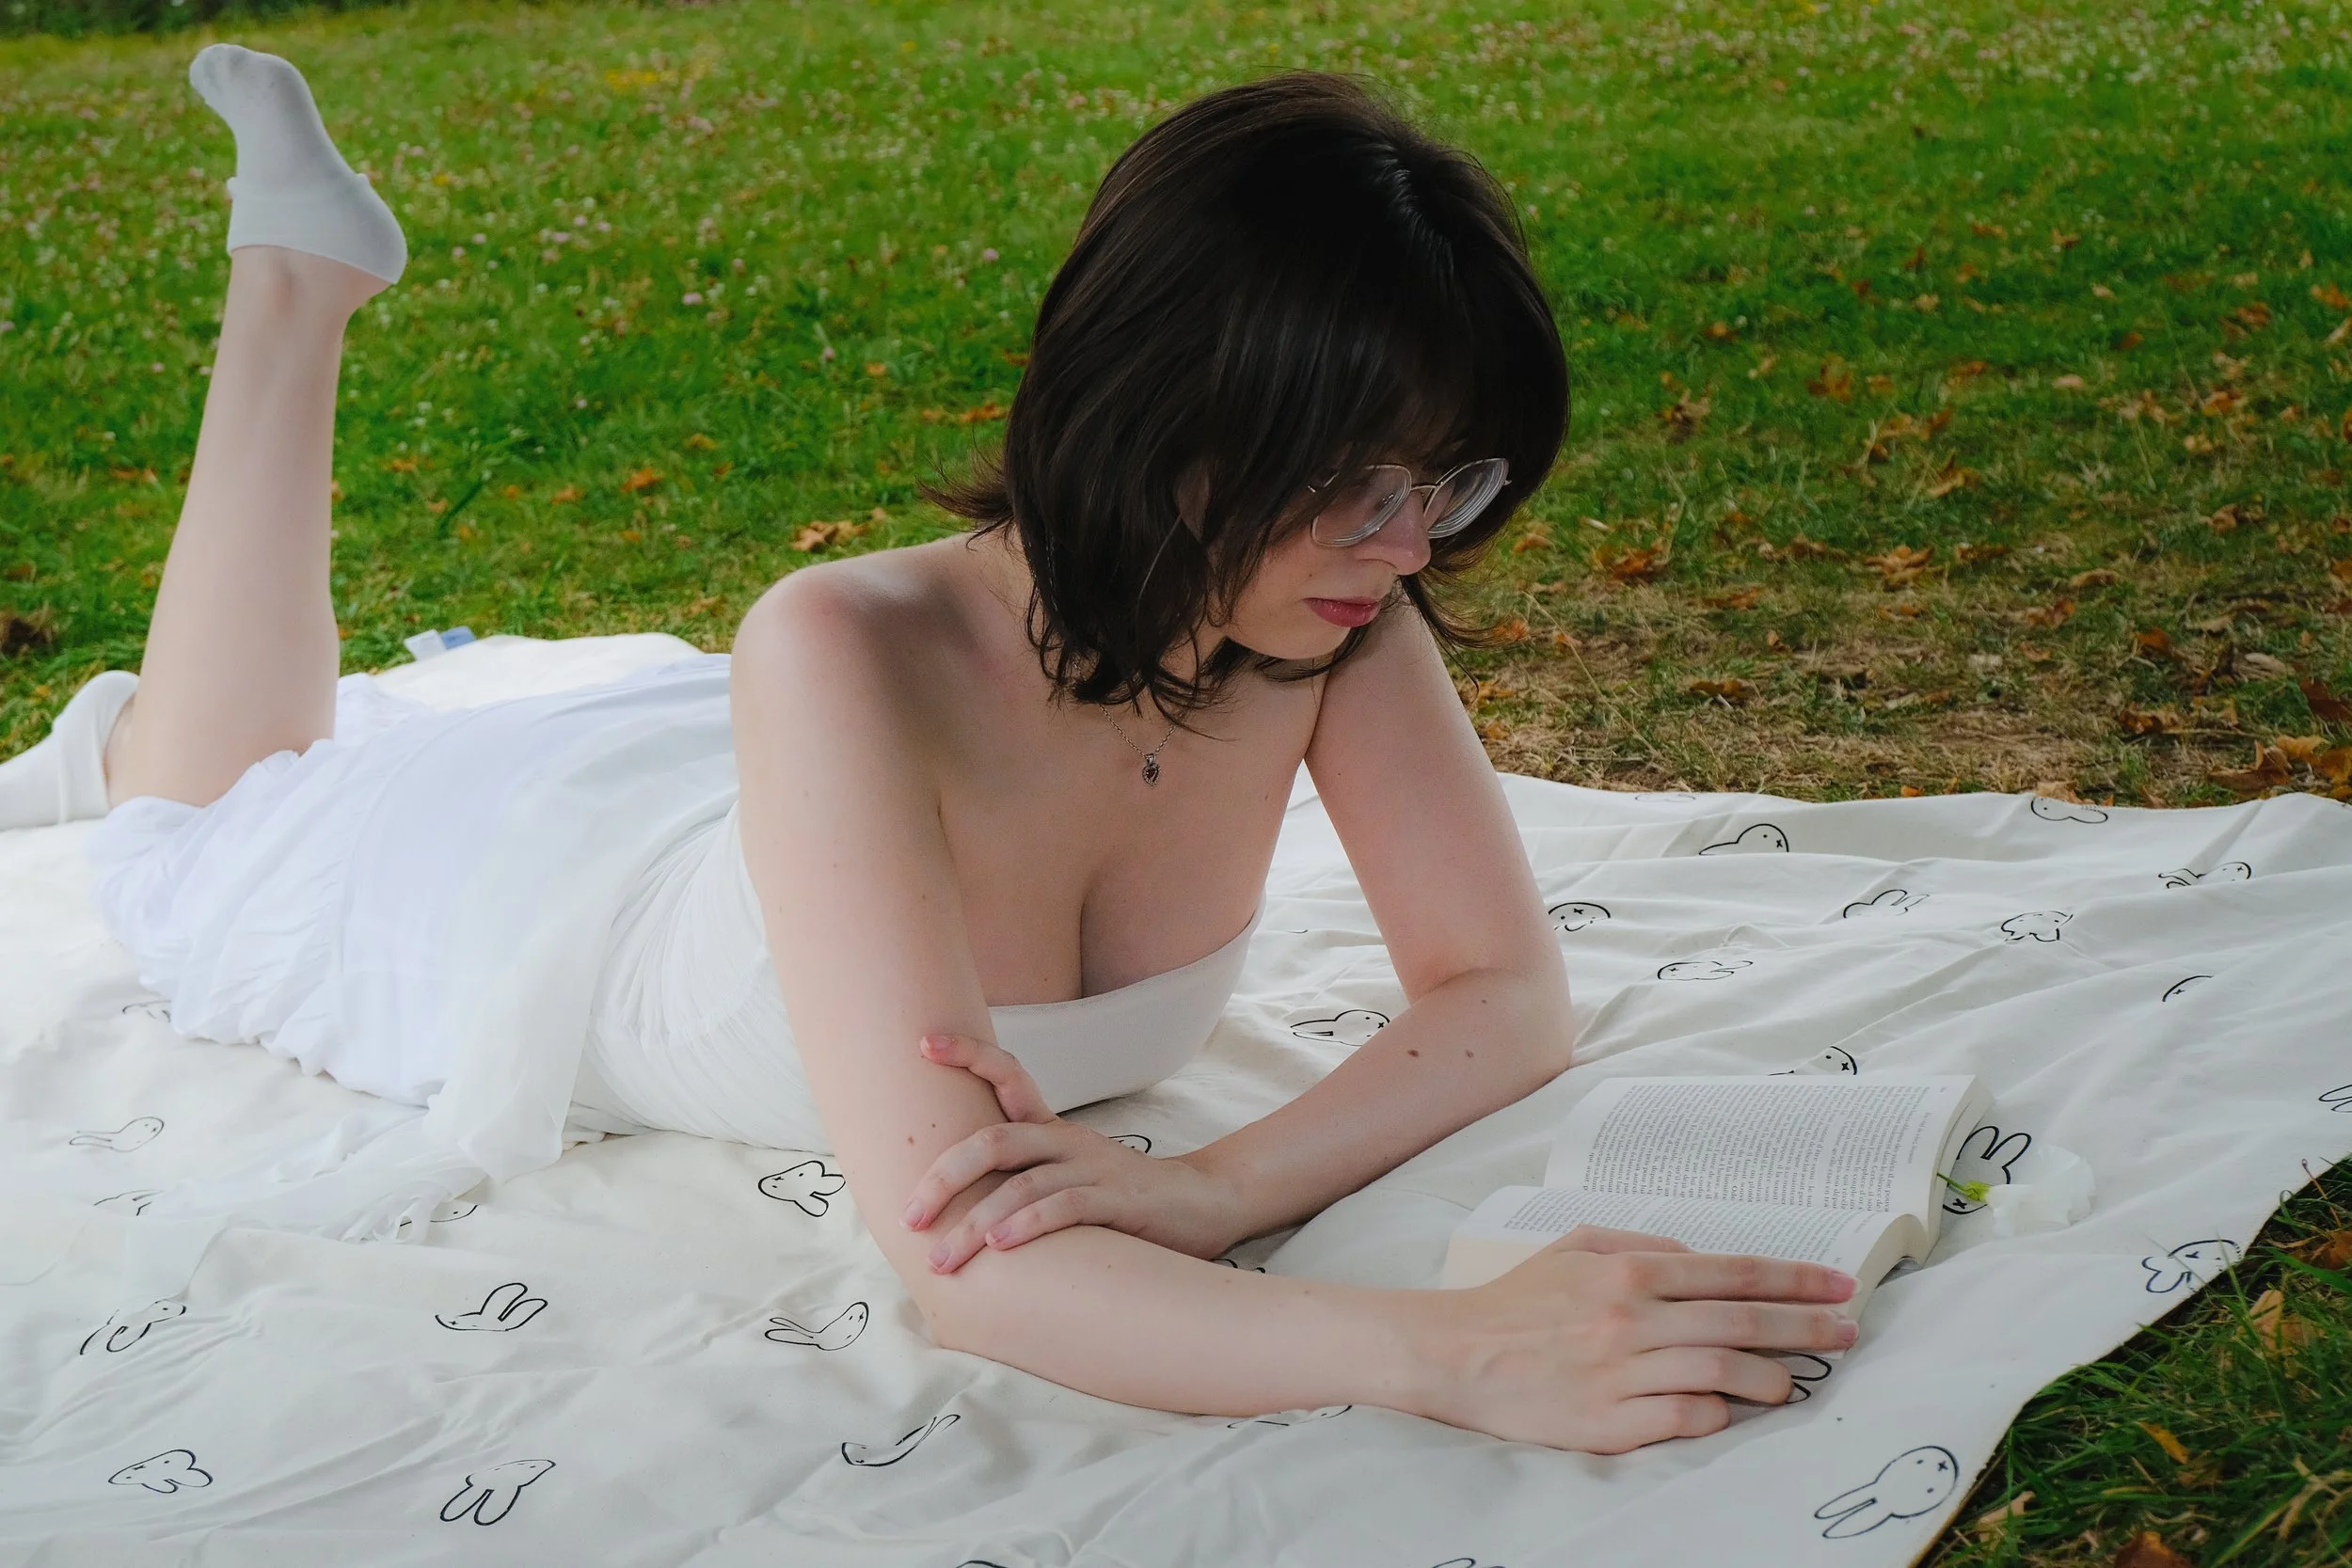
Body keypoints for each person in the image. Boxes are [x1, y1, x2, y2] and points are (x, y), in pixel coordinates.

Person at [0, 47, 1858, 1454]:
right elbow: (972, 1266)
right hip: (528, 898)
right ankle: (293, 283)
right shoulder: (840, 646)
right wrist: (1449, 1350)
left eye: (1446, 483)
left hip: (775, 823)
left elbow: (1502, 991)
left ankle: (296, 285)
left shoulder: (1329, 617)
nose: (1411, 543)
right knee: (196, 814)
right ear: (1174, 416)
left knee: (235, 770)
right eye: (1360, 483)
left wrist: (1218, 1185)